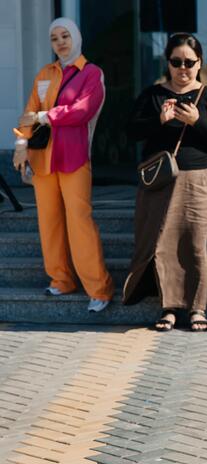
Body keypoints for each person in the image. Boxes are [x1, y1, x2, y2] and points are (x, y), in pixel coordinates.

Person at [124, 33, 207, 331]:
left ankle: (198, 308)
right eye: (176, 62)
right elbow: (130, 132)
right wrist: (157, 120)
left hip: (198, 178)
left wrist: (197, 121)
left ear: (199, 64)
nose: (182, 68)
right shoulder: (152, 94)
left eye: (189, 62)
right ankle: (168, 308)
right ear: (167, 62)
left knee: (195, 243)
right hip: (160, 180)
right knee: (163, 244)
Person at [12, 17, 114, 312]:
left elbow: (82, 110)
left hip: (74, 158)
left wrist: (46, 117)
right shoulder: (44, 73)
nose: (60, 42)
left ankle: (99, 288)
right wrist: (21, 145)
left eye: (65, 35)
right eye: (54, 38)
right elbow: (28, 111)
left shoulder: (91, 73)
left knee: (79, 222)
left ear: (76, 37)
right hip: (42, 159)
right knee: (49, 222)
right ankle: (61, 280)